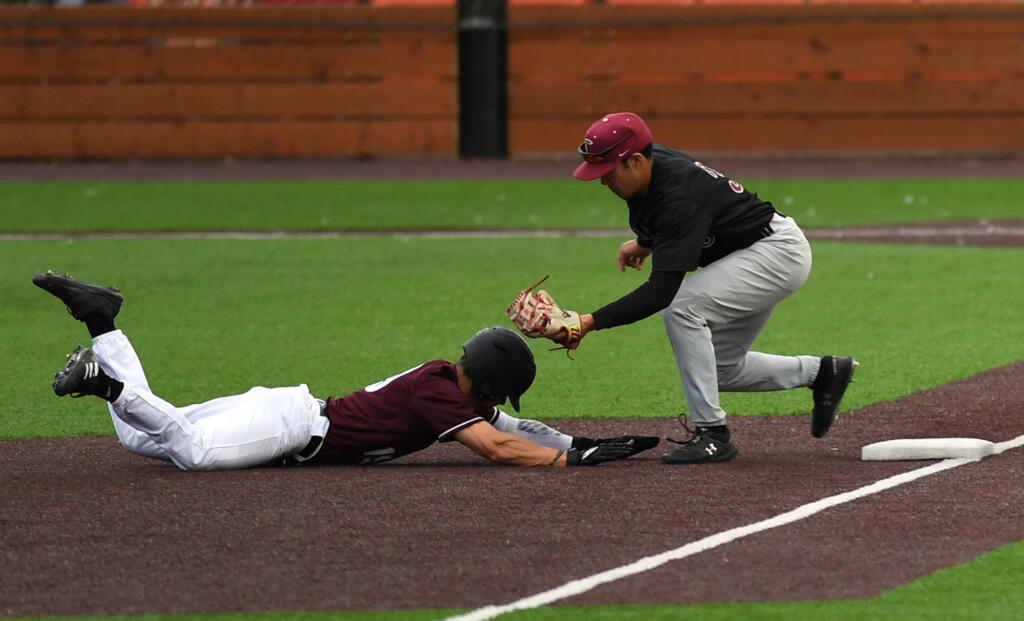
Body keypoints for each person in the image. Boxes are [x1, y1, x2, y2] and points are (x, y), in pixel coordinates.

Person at [33, 271, 658, 471]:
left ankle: (102, 323)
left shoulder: (449, 381)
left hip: (287, 412)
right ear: (492, 383)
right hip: (288, 428)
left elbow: (519, 426)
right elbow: (497, 445)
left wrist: (584, 443)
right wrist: (567, 464)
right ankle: (106, 379)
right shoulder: (441, 396)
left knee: (140, 435)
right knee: (191, 452)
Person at [555, 111, 858, 464]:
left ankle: (713, 432)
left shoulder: (678, 194)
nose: (602, 181)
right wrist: (646, 242)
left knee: (682, 308)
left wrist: (588, 321)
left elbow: (660, 290)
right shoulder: (654, 165)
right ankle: (823, 372)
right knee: (717, 369)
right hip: (751, 251)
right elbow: (689, 219)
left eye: (607, 172)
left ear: (635, 160)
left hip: (774, 254)